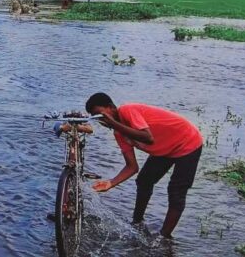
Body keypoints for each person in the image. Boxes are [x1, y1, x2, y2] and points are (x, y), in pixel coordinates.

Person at [85, 93, 203, 238]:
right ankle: (137, 222)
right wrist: (111, 183)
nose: (102, 121)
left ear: (110, 107)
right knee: (144, 180)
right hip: (166, 148)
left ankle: (164, 237)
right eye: (97, 118)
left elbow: (148, 138)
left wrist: (114, 124)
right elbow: (132, 167)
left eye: (100, 114)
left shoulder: (128, 110)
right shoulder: (119, 133)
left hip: (187, 141)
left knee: (176, 191)